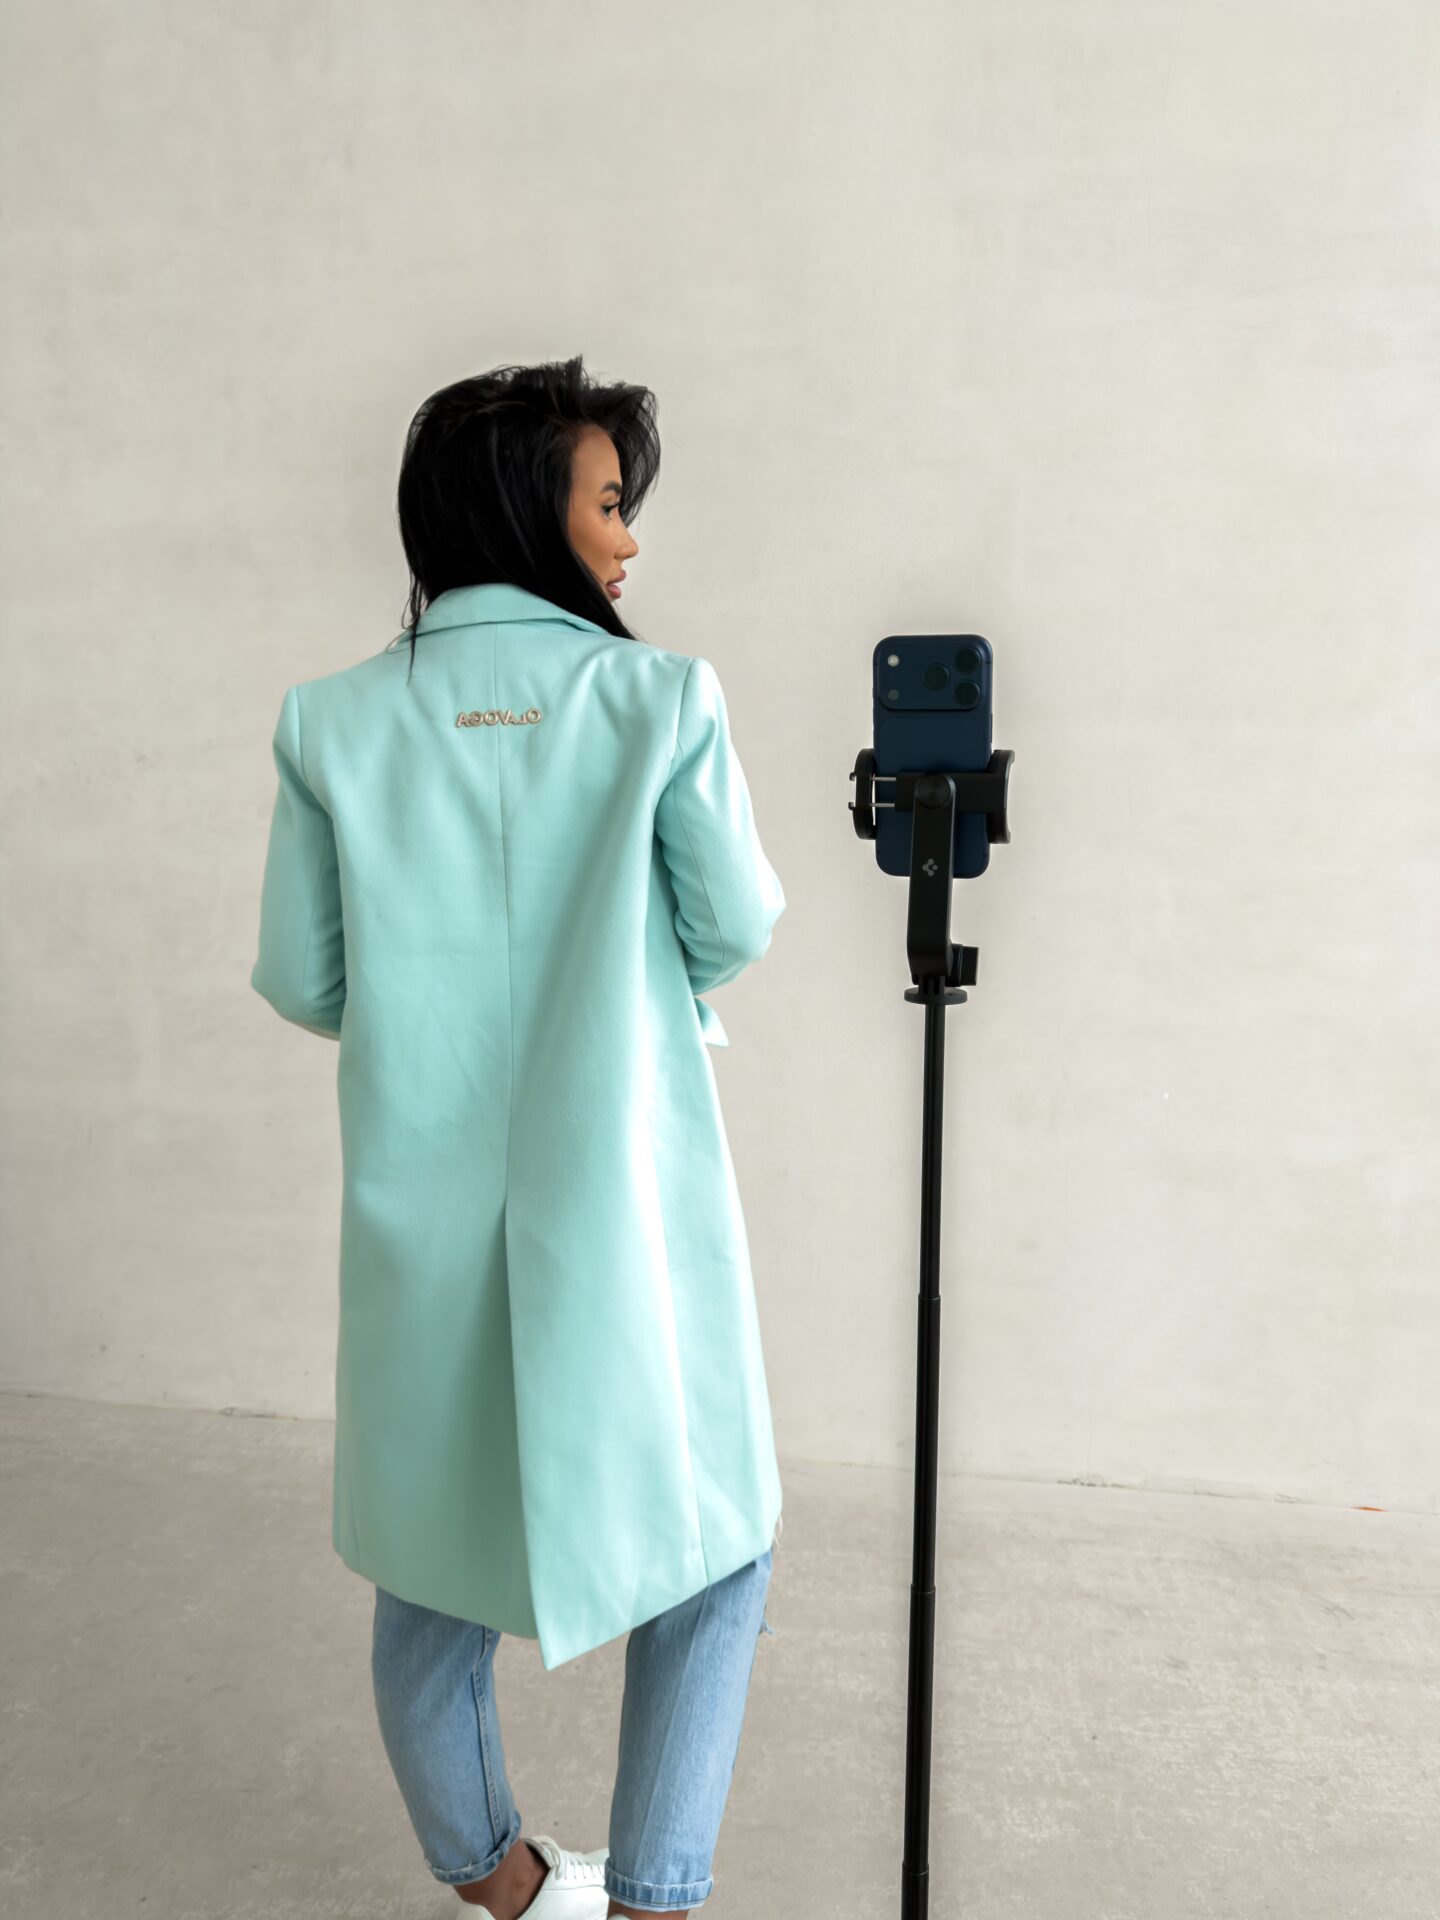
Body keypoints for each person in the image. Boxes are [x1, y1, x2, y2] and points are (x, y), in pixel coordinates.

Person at [250, 355, 787, 1917]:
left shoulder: (331, 722)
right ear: (526, 506)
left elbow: (304, 977)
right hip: (624, 1205)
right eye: (610, 501)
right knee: (717, 1547)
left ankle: (509, 1890)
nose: (630, 538)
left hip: (420, 1217)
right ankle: (653, 1900)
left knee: (432, 1571)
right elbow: (735, 925)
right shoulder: (659, 698)